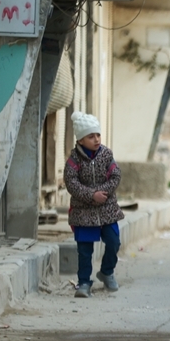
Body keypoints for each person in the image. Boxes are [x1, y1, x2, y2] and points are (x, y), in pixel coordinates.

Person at [64, 111, 123, 298]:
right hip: (84, 211)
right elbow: (71, 183)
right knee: (85, 250)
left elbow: (116, 175)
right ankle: (83, 283)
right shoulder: (73, 160)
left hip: (107, 208)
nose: (96, 139)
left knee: (113, 241)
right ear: (81, 140)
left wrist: (103, 193)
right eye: (91, 136)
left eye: (98, 135)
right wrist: (91, 195)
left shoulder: (106, 154)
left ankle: (107, 271)